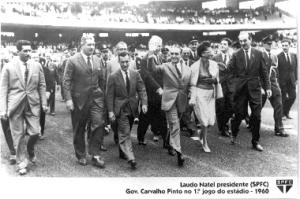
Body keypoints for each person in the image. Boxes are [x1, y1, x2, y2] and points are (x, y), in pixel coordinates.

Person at [0, 40, 47, 175]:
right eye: (25, 51)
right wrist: (3, 109)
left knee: (35, 133)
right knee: (19, 135)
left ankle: (30, 149)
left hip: (33, 104)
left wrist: (44, 102)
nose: (28, 53)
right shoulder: (8, 67)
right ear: (18, 51)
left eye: (29, 51)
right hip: (15, 105)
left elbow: (42, 85)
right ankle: (21, 161)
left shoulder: (37, 66)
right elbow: (3, 89)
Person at [63, 34, 106, 168]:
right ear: (82, 45)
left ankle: (95, 154)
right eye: (89, 45)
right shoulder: (72, 60)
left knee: (99, 124)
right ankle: (81, 154)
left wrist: (102, 94)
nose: (92, 47)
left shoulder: (98, 60)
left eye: (93, 45)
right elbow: (66, 81)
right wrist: (69, 99)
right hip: (79, 100)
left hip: (96, 98)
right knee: (79, 128)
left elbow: (102, 79)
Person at [226, 32, 271, 152]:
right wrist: (233, 85)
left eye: (245, 40)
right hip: (240, 89)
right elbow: (229, 71)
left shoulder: (258, 53)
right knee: (239, 114)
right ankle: (234, 132)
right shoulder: (236, 55)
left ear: (250, 40)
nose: (242, 43)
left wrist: (268, 87)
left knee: (256, 115)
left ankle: (255, 141)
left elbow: (264, 71)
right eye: (240, 41)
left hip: (255, 88)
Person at [106, 51, 148, 170]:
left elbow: (142, 89)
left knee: (127, 130)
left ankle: (122, 152)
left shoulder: (135, 74)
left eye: (127, 62)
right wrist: (110, 111)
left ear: (130, 61)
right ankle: (131, 158)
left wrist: (144, 103)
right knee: (124, 132)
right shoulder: (113, 76)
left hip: (132, 108)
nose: (125, 64)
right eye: (122, 62)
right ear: (119, 62)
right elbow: (109, 95)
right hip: (120, 108)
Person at [154, 46, 192, 166]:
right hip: (169, 100)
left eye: (176, 53)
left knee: (173, 125)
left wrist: (191, 94)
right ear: (169, 55)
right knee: (175, 124)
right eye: (172, 54)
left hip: (181, 101)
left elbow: (189, 84)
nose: (174, 56)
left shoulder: (187, 69)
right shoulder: (165, 66)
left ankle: (169, 143)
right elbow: (152, 69)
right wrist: (150, 54)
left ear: (180, 54)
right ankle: (179, 152)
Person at [189, 41, 221, 153]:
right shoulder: (194, 66)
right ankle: (205, 142)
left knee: (210, 121)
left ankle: (201, 134)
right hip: (199, 93)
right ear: (202, 53)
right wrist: (192, 98)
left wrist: (214, 80)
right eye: (208, 51)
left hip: (210, 93)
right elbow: (192, 84)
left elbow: (217, 79)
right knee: (203, 120)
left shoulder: (214, 64)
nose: (211, 52)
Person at [137, 35, 168, 147]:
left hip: (159, 93)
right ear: (152, 45)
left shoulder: (158, 57)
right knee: (145, 117)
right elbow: (147, 76)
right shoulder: (146, 58)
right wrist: (158, 87)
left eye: (160, 45)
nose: (159, 47)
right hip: (150, 92)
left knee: (161, 116)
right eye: (157, 45)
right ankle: (140, 137)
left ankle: (166, 141)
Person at [261, 35, 288, 137]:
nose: (270, 45)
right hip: (262, 85)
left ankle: (279, 128)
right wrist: (260, 87)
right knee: (258, 108)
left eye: (271, 43)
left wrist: (277, 84)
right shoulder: (260, 55)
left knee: (278, 105)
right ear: (263, 44)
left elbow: (276, 72)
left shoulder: (273, 56)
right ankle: (252, 123)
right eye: (268, 43)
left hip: (273, 84)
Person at [212, 38, 233, 137]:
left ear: (228, 46)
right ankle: (223, 127)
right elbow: (211, 70)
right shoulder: (215, 57)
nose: (222, 45)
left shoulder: (233, 57)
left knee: (230, 107)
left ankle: (225, 124)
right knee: (220, 107)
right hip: (219, 85)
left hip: (231, 86)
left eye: (225, 44)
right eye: (221, 44)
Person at [277, 39, 297, 119]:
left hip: (292, 80)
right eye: (283, 45)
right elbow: (277, 70)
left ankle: (286, 112)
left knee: (293, 97)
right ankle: (282, 114)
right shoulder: (278, 56)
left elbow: (295, 68)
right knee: (284, 98)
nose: (284, 47)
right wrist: (278, 81)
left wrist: (296, 79)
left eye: (286, 45)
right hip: (283, 81)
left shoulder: (294, 55)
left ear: (289, 45)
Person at [180, 47, 198, 137]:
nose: (186, 55)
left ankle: (188, 126)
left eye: (188, 53)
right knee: (181, 108)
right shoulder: (178, 63)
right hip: (180, 88)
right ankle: (187, 126)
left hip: (190, 88)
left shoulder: (193, 64)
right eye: (184, 53)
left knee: (188, 108)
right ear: (181, 54)